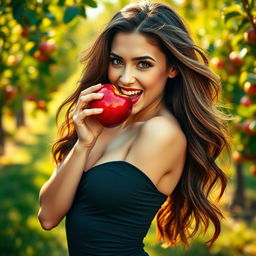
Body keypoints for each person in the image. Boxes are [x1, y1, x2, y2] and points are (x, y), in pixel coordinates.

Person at [38, 1, 232, 255]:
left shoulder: (162, 134)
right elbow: (48, 216)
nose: (125, 77)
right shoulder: (105, 122)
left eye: (143, 64)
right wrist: (83, 144)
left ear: (172, 68)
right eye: (117, 61)